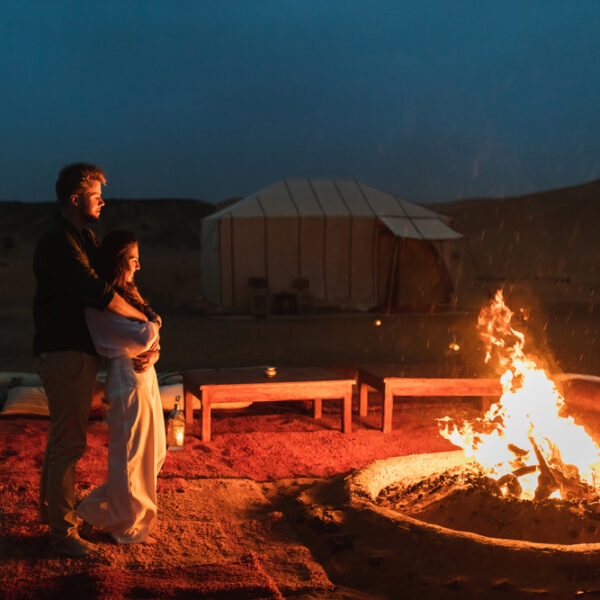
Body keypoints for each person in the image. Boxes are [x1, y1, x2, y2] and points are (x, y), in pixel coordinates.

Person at [33, 163, 153, 557]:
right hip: (63, 350)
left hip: (76, 350)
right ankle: (62, 533)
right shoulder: (59, 240)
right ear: (74, 198)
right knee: (69, 442)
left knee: (63, 441)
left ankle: (52, 514)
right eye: (96, 194)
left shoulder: (82, 236)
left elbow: (111, 284)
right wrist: (146, 321)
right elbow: (97, 291)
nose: (103, 200)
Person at [76, 231, 166, 544]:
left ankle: (91, 511)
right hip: (126, 377)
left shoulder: (127, 296)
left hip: (145, 374)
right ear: (117, 262)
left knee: (154, 454)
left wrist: (152, 341)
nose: (138, 266)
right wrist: (152, 328)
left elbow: (148, 334)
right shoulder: (100, 304)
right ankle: (126, 527)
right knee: (132, 456)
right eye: (132, 259)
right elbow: (143, 335)